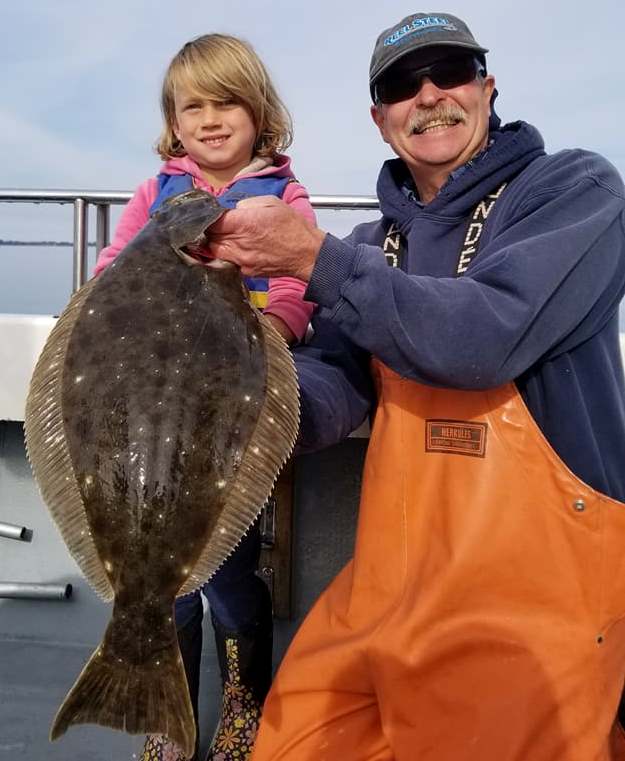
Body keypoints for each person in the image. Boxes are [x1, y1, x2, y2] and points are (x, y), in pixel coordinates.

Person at [208, 12, 625, 761]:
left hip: (535, 603)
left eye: (451, 72)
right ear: (379, 118)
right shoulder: (374, 247)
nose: (429, 94)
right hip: (389, 596)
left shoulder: (576, 190)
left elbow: (483, 334)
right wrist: (243, 399)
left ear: (487, 87)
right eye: (402, 84)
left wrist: (314, 260)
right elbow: (332, 385)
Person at [94, 33, 315, 761]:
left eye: (227, 103)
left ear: (258, 113)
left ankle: (243, 708)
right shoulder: (156, 193)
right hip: (151, 408)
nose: (211, 119)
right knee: (165, 586)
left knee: (224, 570)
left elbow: (293, 285)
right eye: (194, 106)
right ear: (174, 120)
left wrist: (272, 332)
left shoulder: (282, 194)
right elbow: (109, 272)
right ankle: (171, 716)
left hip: (229, 417)